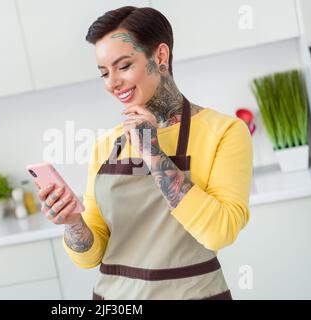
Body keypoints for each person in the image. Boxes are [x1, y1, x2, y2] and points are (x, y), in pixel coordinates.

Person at [37, 6, 253, 300]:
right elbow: (91, 256)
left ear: (160, 57)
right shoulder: (106, 145)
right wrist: (73, 222)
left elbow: (220, 231)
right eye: (104, 73)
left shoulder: (225, 132)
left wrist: (152, 151)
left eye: (123, 66)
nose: (112, 83)